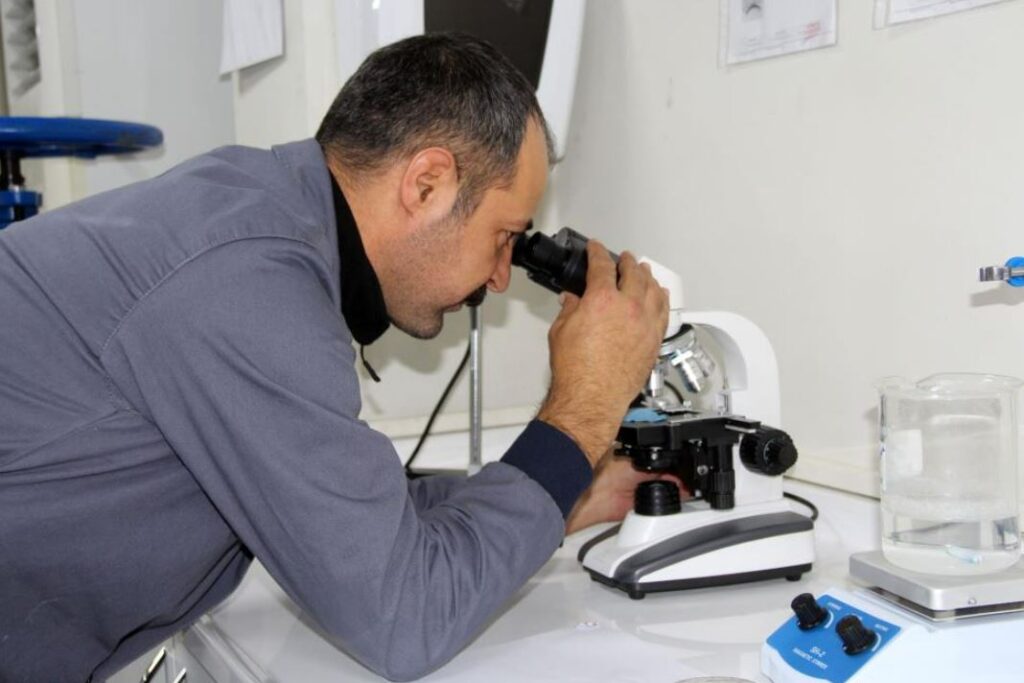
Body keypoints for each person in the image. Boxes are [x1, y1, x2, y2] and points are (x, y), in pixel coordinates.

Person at [0, 33, 668, 682]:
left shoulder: (253, 212)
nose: (500, 277)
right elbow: (405, 617)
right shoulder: (248, 285)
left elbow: (355, 516)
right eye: (505, 236)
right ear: (427, 183)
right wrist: (585, 407)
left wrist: (570, 494)